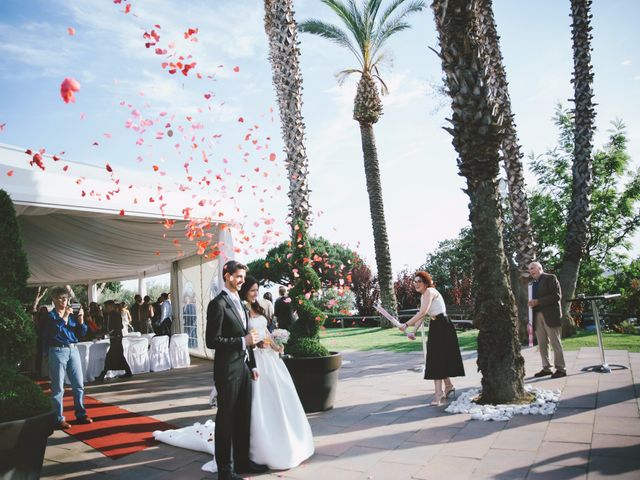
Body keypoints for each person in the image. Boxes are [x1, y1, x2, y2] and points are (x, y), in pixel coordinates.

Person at [240, 276, 314, 469]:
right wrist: (257, 343)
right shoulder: (241, 311)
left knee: (283, 397)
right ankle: (264, 447)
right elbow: (246, 339)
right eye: (252, 291)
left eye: (257, 290)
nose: (256, 294)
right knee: (263, 401)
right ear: (244, 291)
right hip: (257, 361)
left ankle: (292, 440)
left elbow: (266, 332)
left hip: (271, 359)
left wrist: (275, 345)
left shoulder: (259, 308)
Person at [205, 260, 268, 480]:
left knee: (243, 417)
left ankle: (243, 463)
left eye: (243, 277)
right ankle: (226, 471)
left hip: (243, 369)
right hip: (227, 371)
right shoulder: (218, 304)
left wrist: (252, 366)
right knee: (226, 420)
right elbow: (212, 341)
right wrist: (243, 341)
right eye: (238, 276)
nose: (241, 280)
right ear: (227, 276)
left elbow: (248, 339)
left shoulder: (240, 303)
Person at [399, 271, 465, 406]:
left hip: (444, 326)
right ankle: (448, 387)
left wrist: (406, 324)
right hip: (436, 325)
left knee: (437, 359)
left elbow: (422, 312)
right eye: (415, 281)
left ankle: (439, 394)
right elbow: (423, 315)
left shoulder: (430, 291)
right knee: (438, 358)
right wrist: (414, 331)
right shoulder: (424, 296)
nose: (416, 284)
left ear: (426, 283)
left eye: (419, 281)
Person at [43, 287, 93, 429]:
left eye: (65, 298)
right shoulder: (51, 316)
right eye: (60, 298)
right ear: (53, 300)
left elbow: (82, 333)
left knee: (79, 385)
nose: (63, 301)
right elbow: (53, 332)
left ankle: (81, 414)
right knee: (58, 387)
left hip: (73, 350)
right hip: (57, 351)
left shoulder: (71, 316)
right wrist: (64, 316)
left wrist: (81, 319)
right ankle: (58, 419)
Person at [528, 261, 566, 378]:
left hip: (550, 316)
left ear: (540, 268)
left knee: (555, 343)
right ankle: (546, 368)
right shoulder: (532, 284)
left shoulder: (550, 278)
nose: (531, 271)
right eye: (529, 270)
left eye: (532, 268)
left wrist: (538, 301)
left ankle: (561, 369)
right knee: (542, 344)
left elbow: (557, 296)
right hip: (537, 317)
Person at [96, 300, 132, 381]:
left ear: (111, 306)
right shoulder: (109, 315)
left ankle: (103, 374)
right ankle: (128, 372)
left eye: (106, 306)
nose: (105, 308)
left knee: (110, 357)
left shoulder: (115, 314)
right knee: (119, 356)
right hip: (114, 338)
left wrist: (107, 332)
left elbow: (119, 326)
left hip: (116, 337)